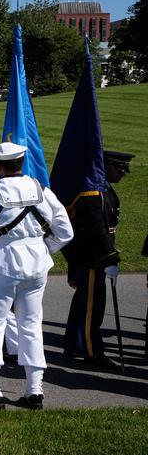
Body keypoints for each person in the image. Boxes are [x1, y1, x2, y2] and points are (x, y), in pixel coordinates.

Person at [0, 142, 73, 410]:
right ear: (21, 163)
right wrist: (41, 248)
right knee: (31, 324)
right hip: (37, 264)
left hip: (2, 262)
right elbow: (65, 232)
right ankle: (34, 390)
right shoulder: (42, 191)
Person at [62, 150, 134, 369]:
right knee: (92, 307)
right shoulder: (94, 192)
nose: (122, 174)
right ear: (106, 166)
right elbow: (95, 229)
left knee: (84, 302)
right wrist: (110, 257)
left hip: (94, 255)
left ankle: (73, 344)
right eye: (119, 169)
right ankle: (92, 351)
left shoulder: (102, 189)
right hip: (92, 257)